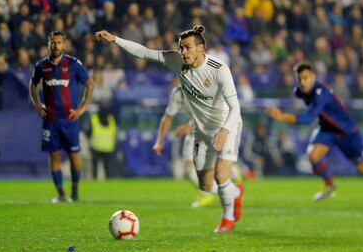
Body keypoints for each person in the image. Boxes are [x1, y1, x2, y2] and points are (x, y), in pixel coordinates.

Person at [96, 25, 243, 232]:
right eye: (181, 48)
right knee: (205, 185)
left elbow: (236, 107)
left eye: (188, 48)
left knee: (221, 175)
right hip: (202, 130)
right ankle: (235, 192)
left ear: (201, 48)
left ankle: (227, 219)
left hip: (227, 125)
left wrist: (226, 130)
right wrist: (115, 40)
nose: (183, 52)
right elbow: (145, 53)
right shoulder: (176, 61)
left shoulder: (219, 70)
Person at [265, 63, 363, 207]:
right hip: (327, 130)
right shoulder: (303, 91)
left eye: (306, 78)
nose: (303, 82)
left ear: (313, 77)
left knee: (362, 167)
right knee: (313, 155)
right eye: (300, 79)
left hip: (346, 132)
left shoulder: (322, 93)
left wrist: (282, 116)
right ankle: (330, 185)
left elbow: (309, 118)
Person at [29, 31, 94, 203]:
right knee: (55, 156)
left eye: (59, 42)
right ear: (48, 44)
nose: (56, 45)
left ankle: (75, 190)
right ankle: (60, 194)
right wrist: (36, 103)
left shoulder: (73, 64)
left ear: (64, 45)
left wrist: (82, 108)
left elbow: (89, 83)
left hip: (69, 119)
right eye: (53, 42)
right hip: (50, 120)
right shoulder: (41, 66)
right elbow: (33, 84)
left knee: (74, 156)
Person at [87, 103, 118, 180]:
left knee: (95, 169)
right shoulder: (111, 119)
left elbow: (88, 132)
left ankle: (94, 182)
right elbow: (114, 133)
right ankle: (109, 184)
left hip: (96, 147)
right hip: (108, 147)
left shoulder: (94, 119)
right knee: (108, 170)